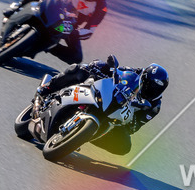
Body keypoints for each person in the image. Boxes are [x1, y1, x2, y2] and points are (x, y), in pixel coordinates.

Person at [37, 57, 168, 156]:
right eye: (149, 85)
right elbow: (116, 71)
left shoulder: (154, 107)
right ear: (144, 78)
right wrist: (104, 67)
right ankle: (46, 88)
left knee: (124, 147)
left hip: (116, 116)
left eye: (156, 89)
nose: (151, 90)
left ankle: (82, 136)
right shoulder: (135, 73)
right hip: (106, 96)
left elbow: (135, 127)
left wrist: (131, 120)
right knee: (80, 69)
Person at [0, 0, 108, 64]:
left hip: (69, 26)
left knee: (76, 57)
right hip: (56, 9)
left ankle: (50, 46)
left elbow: (90, 30)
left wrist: (75, 33)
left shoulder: (101, 7)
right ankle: (17, 7)